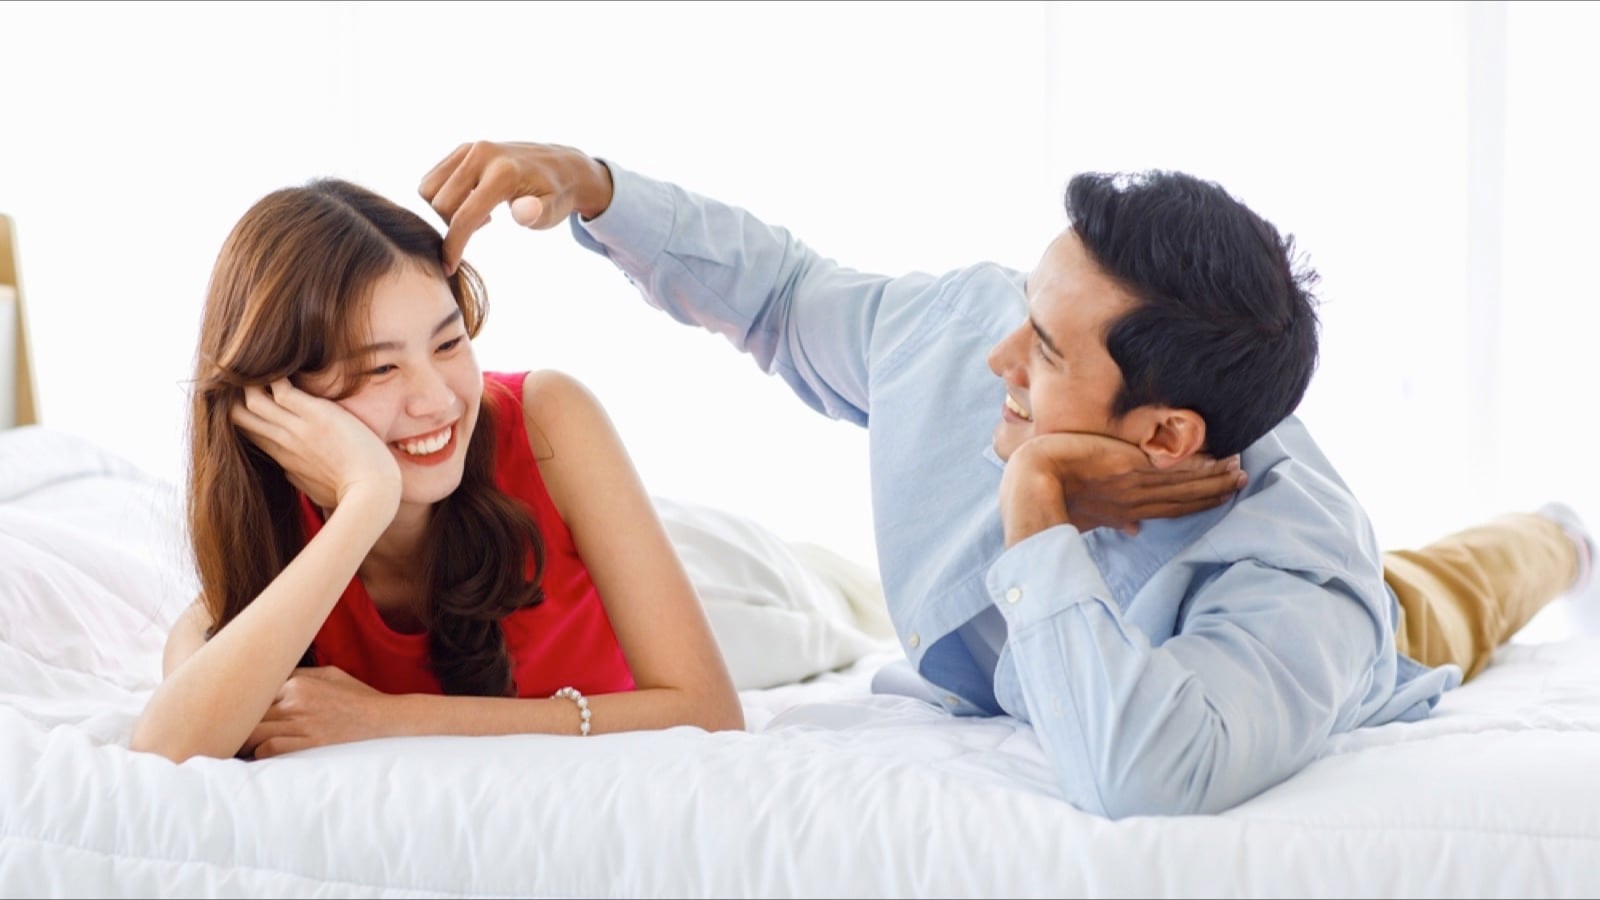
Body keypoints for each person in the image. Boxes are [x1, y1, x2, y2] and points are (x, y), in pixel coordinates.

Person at [416, 141, 1597, 819]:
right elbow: (780, 296)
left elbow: (1138, 772)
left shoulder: (1300, 580)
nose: (996, 355)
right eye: (1025, 314)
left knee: (1470, 584)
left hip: (1383, 628)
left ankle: (1558, 530)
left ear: (1167, 436)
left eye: (1041, 350)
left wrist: (1036, 511)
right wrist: (592, 184)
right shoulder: (969, 328)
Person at [130, 177, 744, 764]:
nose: (438, 402)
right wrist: (367, 499)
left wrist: (392, 719)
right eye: (379, 370)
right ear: (277, 397)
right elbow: (166, 748)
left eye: (449, 345)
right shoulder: (272, 527)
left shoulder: (550, 421)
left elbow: (709, 711)